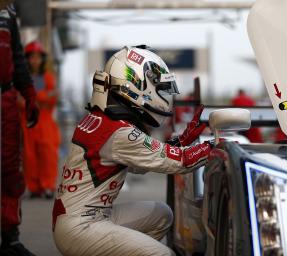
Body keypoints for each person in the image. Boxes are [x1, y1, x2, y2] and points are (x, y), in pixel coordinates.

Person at [52, 46, 211, 256]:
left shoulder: (104, 121)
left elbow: (141, 161)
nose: (163, 95)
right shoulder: (118, 131)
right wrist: (216, 145)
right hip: (82, 227)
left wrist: (182, 140)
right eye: (159, 88)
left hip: (83, 218)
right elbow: (179, 162)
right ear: (135, 84)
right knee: (163, 255)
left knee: (162, 215)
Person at [0, 3, 39, 256]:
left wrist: (29, 93)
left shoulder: (8, 13)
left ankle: (10, 238)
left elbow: (17, 57)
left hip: (6, 101)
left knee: (11, 172)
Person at [20, 41, 60, 199]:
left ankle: (48, 186)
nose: (35, 60)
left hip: (45, 122)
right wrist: (40, 98)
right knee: (29, 157)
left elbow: (53, 97)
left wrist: (32, 100)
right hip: (28, 122)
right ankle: (34, 188)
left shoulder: (48, 77)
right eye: (32, 57)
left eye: (38, 57)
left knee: (48, 155)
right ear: (27, 59)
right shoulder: (22, 78)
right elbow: (18, 100)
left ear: (42, 59)